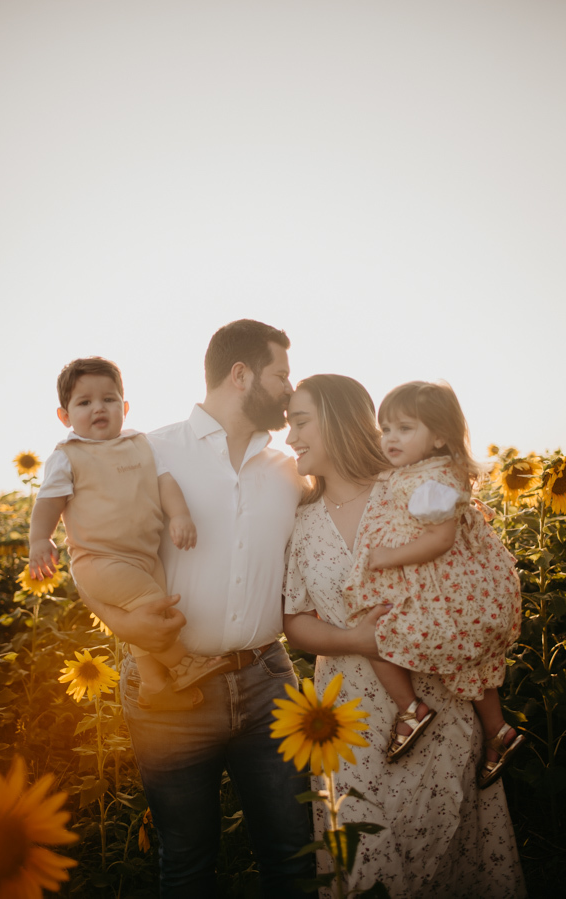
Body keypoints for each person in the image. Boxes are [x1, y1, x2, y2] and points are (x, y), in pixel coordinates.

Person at [78, 322, 316, 898]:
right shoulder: (149, 451)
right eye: (281, 374)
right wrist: (121, 623)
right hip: (169, 695)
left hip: (267, 681)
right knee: (186, 865)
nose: (290, 388)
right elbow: (89, 551)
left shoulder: (290, 469)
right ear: (241, 375)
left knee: (295, 859)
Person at [284, 374, 526, 898]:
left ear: (338, 421)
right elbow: (293, 620)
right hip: (346, 717)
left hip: (436, 701)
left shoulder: (413, 490)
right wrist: (358, 641)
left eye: (300, 422)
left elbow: (477, 573)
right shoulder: (300, 522)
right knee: (363, 858)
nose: (290, 437)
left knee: (444, 851)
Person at [342, 381, 524, 786]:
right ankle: (499, 732)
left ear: (440, 436)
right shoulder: (425, 473)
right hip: (460, 592)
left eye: (405, 428)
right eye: (386, 429)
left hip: (442, 591)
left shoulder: (433, 484)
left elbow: (439, 540)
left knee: (376, 633)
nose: (391, 438)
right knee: (474, 665)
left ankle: (411, 709)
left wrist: (386, 557)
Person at [29, 356, 228, 710]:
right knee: (152, 607)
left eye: (109, 399)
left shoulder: (141, 444)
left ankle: (154, 685)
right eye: (84, 402)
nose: (98, 408)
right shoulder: (68, 456)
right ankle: (182, 663)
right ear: (64, 416)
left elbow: (165, 483)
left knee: (146, 617)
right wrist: (39, 539)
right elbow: (48, 501)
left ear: (125, 407)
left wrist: (180, 515)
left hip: (145, 556)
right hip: (99, 561)